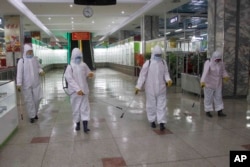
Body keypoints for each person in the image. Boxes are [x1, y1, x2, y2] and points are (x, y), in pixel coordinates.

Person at [135, 45, 172, 131]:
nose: (158, 57)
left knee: (161, 105)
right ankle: (152, 121)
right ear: (153, 54)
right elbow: (142, 76)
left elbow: (166, 73)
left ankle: (162, 122)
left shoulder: (163, 62)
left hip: (161, 88)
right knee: (151, 105)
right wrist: (138, 86)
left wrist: (168, 80)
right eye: (157, 55)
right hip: (150, 88)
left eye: (160, 55)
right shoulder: (148, 63)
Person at [65, 48, 94, 133]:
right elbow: (69, 79)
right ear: (73, 57)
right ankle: (77, 124)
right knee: (76, 108)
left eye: (80, 57)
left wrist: (90, 75)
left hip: (84, 91)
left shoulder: (83, 65)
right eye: (77, 57)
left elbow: (88, 73)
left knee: (85, 108)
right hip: (75, 93)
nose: (78, 59)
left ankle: (85, 126)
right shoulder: (70, 67)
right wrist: (77, 89)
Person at [16, 44, 45, 123]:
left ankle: (35, 112)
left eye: (31, 52)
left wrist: (41, 71)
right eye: (29, 52)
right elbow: (19, 73)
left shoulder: (35, 59)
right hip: (26, 85)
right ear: (25, 52)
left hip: (36, 83)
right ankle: (32, 116)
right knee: (29, 101)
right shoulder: (22, 61)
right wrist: (19, 83)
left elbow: (39, 67)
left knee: (37, 99)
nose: (30, 53)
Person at [200, 50, 229, 117]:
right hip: (209, 84)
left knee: (218, 98)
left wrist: (225, 76)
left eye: (219, 59)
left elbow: (223, 71)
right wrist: (202, 81)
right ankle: (208, 111)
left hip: (218, 84)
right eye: (217, 59)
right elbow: (205, 73)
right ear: (213, 58)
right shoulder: (208, 63)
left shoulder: (221, 63)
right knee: (208, 98)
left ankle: (220, 111)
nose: (218, 61)